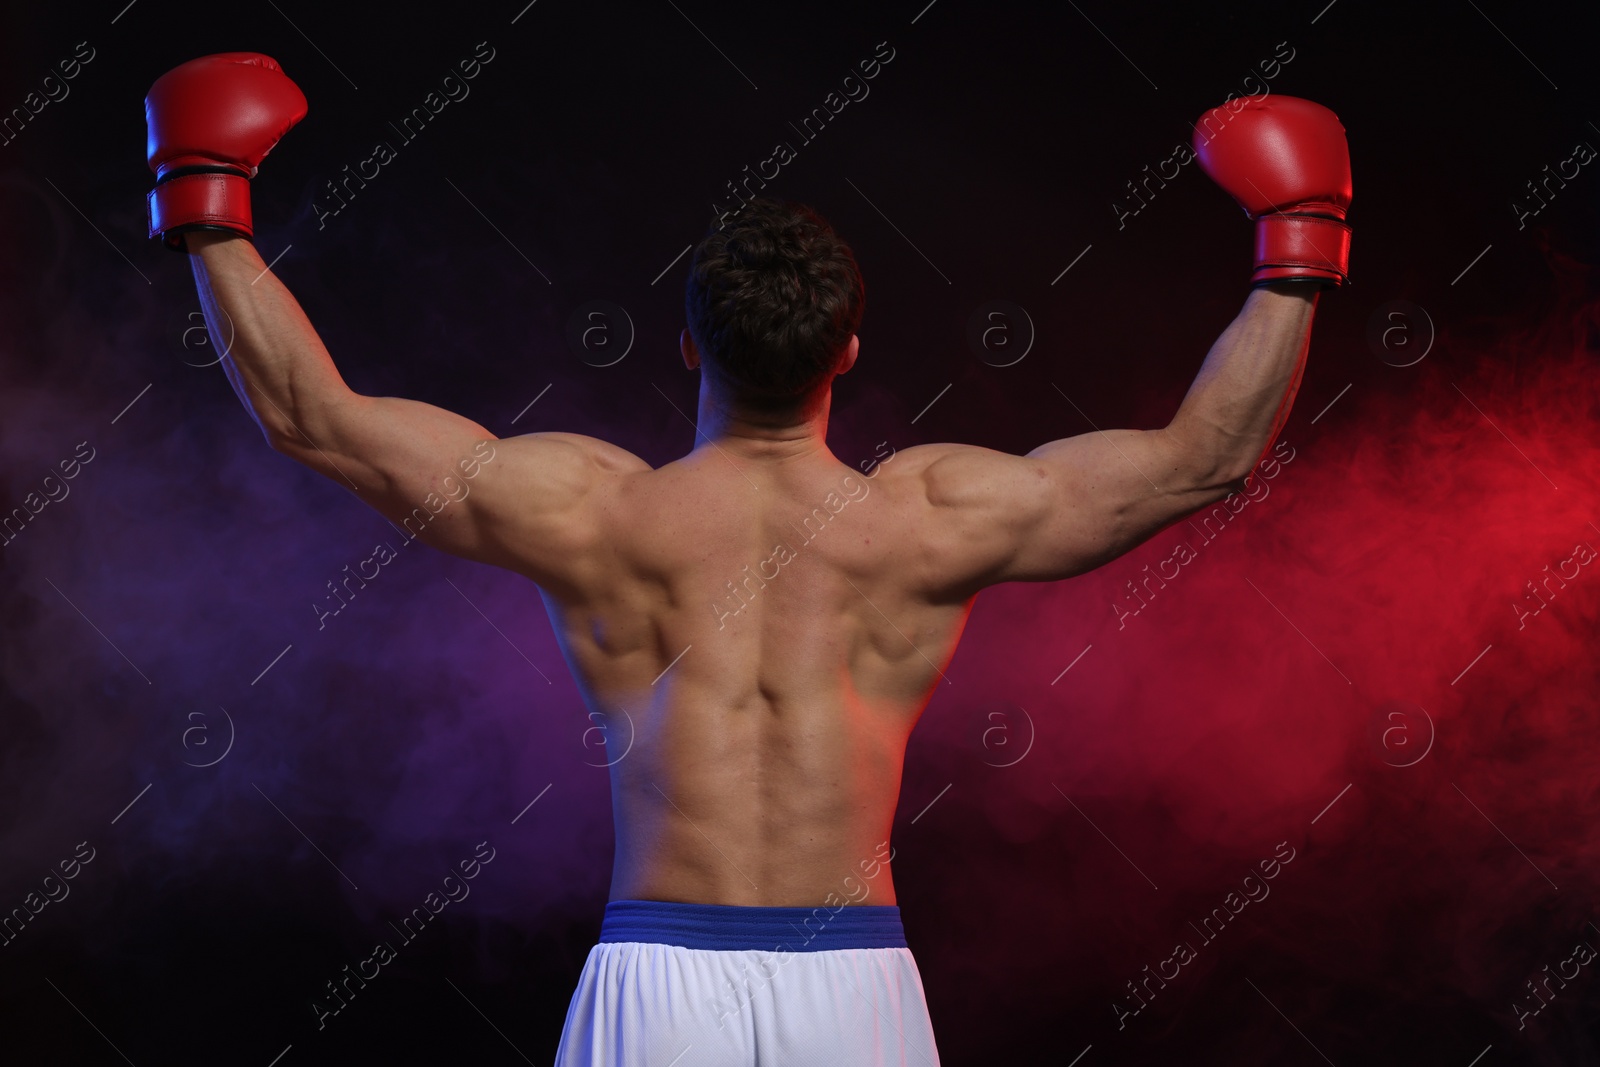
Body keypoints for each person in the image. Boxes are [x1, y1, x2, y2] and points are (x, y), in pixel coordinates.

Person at [146, 52, 1350, 1066]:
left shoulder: (592, 510)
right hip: (854, 990)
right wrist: (1295, 241)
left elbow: (315, 418)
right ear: (849, 352)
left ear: (685, 347)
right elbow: (1205, 458)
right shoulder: (933, 515)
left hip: (655, 985)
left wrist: (208, 206)